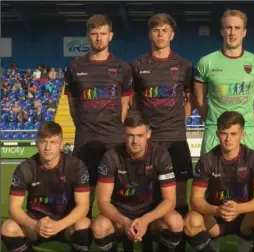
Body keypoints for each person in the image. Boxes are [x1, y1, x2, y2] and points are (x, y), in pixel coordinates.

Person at [130, 13, 194, 251]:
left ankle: (179, 243)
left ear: (172, 35)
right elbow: (134, 103)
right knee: (148, 196)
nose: (160, 34)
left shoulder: (184, 66)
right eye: (156, 30)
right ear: (150, 34)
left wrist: (178, 120)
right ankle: (147, 242)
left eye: (165, 30)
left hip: (175, 139)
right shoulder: (137, 66)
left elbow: (190, 100)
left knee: (178, 198)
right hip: (150, 142)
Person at [64, 14, 133, 217]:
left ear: (110, 36)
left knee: (115, 196)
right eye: (94, 34)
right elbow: (72, 105)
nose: (98, 38)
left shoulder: (123, 68)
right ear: (87, 36)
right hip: (85, 140)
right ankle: (82, 240)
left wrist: (115, 129)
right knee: (84, 196)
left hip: (113, 141)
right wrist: (84, 126)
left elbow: (124, 106)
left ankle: (112, 239)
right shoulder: (74, 67)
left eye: (103, 34)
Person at [184, 111, 254, 252]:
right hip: (215, 218)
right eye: (224, 133)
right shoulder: (207, 160)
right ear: (217, 134)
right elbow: (195, 199)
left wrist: (238, 209)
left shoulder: (253, 158)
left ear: (242, 135)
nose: (228, 139)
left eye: (233, 134)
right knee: (191, 220)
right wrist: (217, 210)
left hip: (244, 218)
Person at [92, 113, 184, 252]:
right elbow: (103, 202)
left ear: (148, 134)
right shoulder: (111, 156)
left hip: (151, 215)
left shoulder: (160, 155)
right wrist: (125, 222)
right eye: (130, 135)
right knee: (99, 227)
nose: (135, 141)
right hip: (121, 215)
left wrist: (146, 220)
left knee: (176, 222)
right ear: (124, 135)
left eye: (140, 135)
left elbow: (170, 200)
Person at [1, 121, 91, 252]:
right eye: (43, 141)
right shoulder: (25, 168)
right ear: (37, 143)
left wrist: (59, 225)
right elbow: (14, 208)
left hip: (66, 223)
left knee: (85, 224)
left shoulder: (76, 166)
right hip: (36, 224)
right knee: (8, 228)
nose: (47, 148)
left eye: (53, 142)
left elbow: (83, 206)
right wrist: (35, 225)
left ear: (61, 143)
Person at [194, 9, 254, 155]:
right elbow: (199, 100)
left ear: (244, 32)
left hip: (246, 134)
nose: (232, 32)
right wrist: (212, 122)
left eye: (237, 28)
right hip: (215, 133)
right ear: (222, 31)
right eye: (228, 28)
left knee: (247, 177)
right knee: (210, 177)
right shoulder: (206, 63)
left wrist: (253, 127)